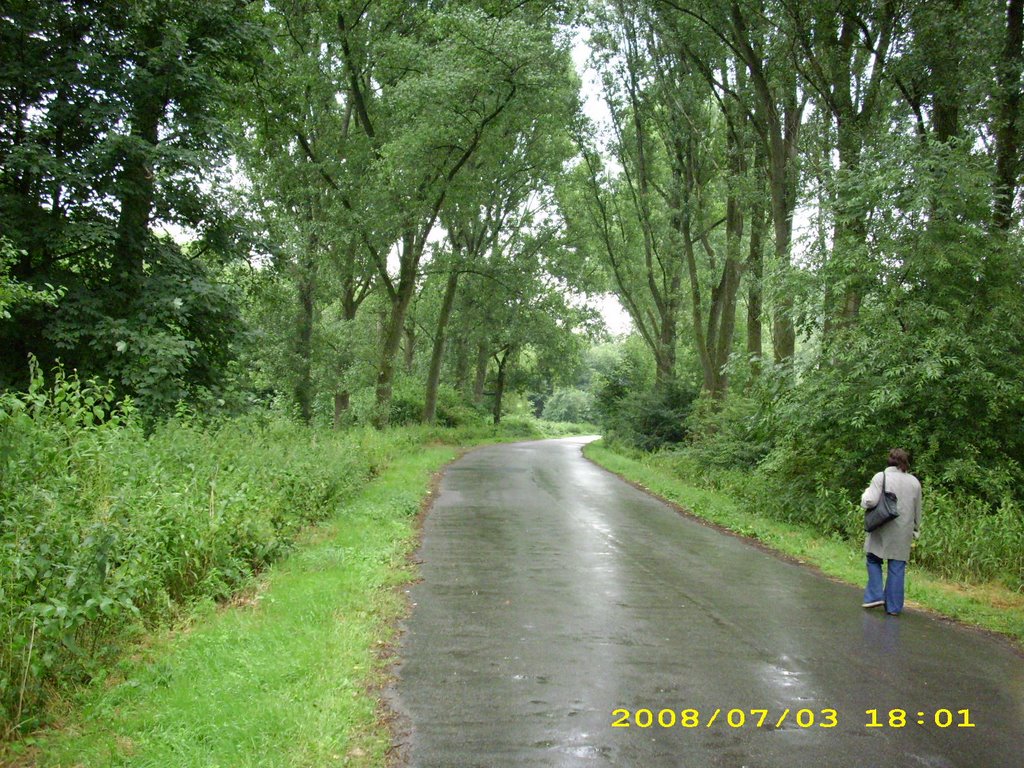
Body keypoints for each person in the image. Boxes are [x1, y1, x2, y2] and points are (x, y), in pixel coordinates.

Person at [860, 448, 922, 616]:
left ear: (890, 460)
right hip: (903, 530)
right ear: (906, 463)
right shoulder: (915, 482)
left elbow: (870, 501)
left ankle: (874, 595)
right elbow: (917, 511)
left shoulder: (881, 477)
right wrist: (915, 530)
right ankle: (893, 607)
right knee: (897, 566)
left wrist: (864, 495)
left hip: (881, 526)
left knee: (873, 558)